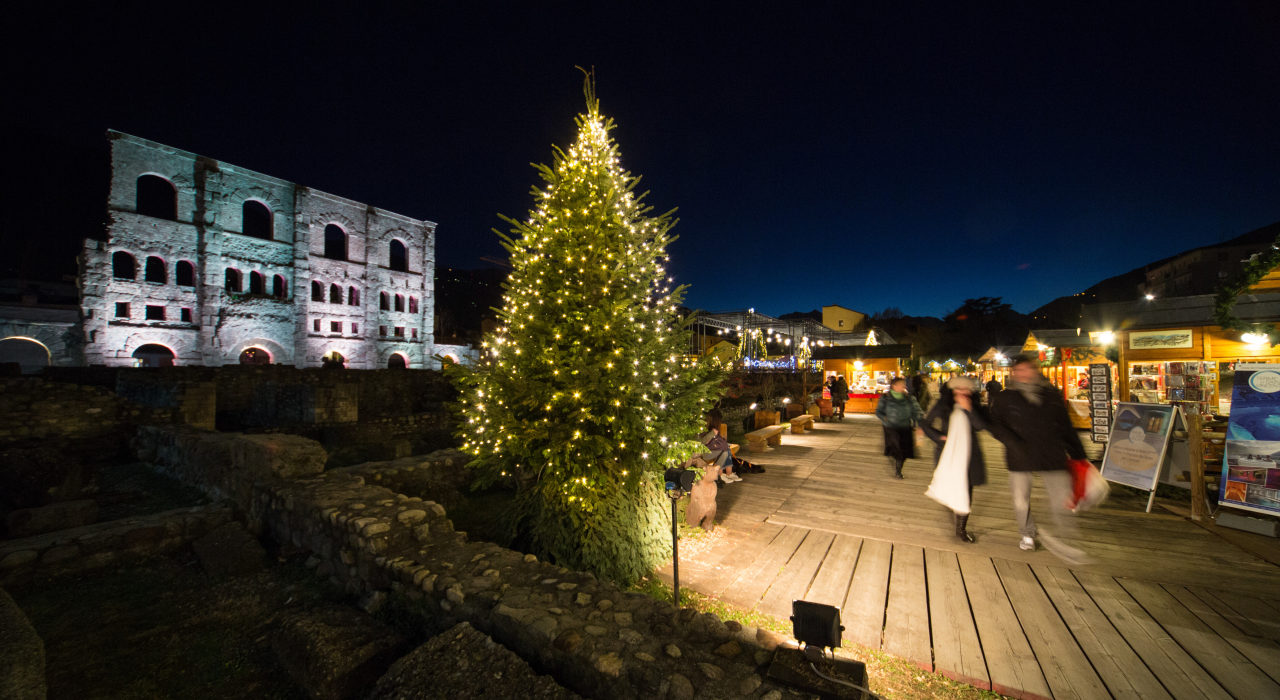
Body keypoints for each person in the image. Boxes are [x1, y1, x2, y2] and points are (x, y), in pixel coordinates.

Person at [987, 355, 1090, 563]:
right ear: (1014, 372)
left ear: (1035, 370)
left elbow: (1065, 425)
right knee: (1020, 497)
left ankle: (1066, 535)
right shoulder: (1006, 397)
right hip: (1020, 453)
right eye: (1019, 370)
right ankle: (1027, 533)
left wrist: (1078, 454)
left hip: (1050, 451)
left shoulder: (1050, 394)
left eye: (1027, 369)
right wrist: (1012, 442)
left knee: (1062, 496)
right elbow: (996, 425)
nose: (1023, 374)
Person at [922, 377, 988, 543]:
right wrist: (939, 437)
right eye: (958, 389)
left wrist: (969, 410)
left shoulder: (974, 405)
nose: (962, 392)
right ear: (952, 390)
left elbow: (981, 426)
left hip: (969, 454)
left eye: (966, 389)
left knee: (967, 489)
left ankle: (961, 529)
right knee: (951, 485)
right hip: (947, 452)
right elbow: (925, 423)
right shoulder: (943, 405)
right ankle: (954, 506)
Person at [875, 377, 923, 479]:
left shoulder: (909, 398)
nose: (904, 386)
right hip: (891, 427)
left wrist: (919, 422)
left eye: (904, 384)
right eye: (902, 384)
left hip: (905, 427)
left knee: (904, 451)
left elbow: (917, 411)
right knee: (897, 449)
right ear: (894, 386)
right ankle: (898, 470)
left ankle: (898, 464)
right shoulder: (885, 397)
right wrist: (884, 419)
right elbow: (878, 411)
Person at [698, 410, 740, 483]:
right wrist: (712, 434)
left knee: (726, 449)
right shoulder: (702, 427)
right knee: (725, 452)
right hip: (703, 453)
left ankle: (726, 474)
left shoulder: (713, 428)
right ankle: (720, 475)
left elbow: (718, 440)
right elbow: (701, 443)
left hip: (712, 450)